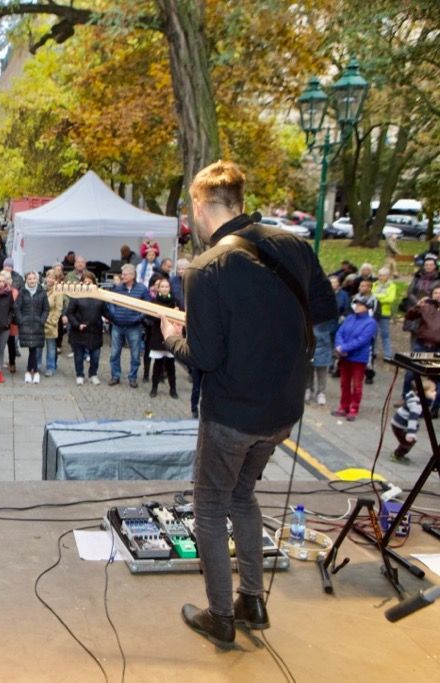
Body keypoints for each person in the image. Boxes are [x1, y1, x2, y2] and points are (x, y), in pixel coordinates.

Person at [160, 160, 333, 648]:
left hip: (232, 415)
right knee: (243, 496)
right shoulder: (293, 245)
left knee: (211, 506)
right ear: (239, 200)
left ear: (199, 206)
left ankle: (221, 617)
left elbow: (206, 358)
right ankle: (252, 600)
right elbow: (322, 309)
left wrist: (174, 337)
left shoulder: (206, 267)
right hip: (282, 410)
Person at [331, 296, 377, 421]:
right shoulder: (350, 318)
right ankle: (343, 406)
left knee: (357, 385)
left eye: (360, 305)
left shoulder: (370, 322)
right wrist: (339, 346)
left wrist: (344, 348)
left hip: (358, 357)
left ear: (367, 308)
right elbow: (339, 332)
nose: (357, 306)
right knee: (344, 383)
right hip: (345, 357)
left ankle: (353, 408)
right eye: (356, 304)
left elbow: (362, 340)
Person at [107, 263, 150, 387]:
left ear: (132, 275)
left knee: (135, 354)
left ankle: (133, 377)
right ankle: (115, 376)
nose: (122, 276)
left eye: (125, 274)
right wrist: (114, 315)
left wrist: (139, 318)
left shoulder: (142, 289)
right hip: (117, 326)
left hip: (134, 327)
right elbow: (111, 303)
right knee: (114, 353)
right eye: (122, 274)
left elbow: (147, 306)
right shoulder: (118, 288)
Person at [65, 271, 105, 385]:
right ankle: (79, 375)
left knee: (95, 356)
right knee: (78, 355)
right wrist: (77, 324)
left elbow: (105, 311)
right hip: (80, 331)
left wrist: (113, 318)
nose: (87, 284)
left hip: (95, 330)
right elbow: (70, 313)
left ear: (94, 283)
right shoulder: (76, 296)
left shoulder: (100, 297)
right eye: (85, 282)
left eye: (90, 282)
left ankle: (93, 374)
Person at [147, 278, 180, 397]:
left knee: (171, 366)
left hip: (171, 336)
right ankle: (154, 388)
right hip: (157, 335)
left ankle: (173, 389)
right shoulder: (154, 301)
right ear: (158, 289)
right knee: (157, 365)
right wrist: (159, 317)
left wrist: (174, 313)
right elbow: (148, 317)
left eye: (167, 287)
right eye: (162, 287)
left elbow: (180, 318)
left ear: (169, 288)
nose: (165, 289)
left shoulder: (175, 301)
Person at [15, 271, 49, 383]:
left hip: (38, 325)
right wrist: (21, 321)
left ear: (37, 280)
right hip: (26, 325)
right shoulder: (22, 293)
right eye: (29, 279)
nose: (32, 281)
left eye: (34, 278)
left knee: (34, 349)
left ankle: (31, 371)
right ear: (26, 280)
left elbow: (46, 309)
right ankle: (33, 371)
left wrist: (42, 320)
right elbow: (17, 308)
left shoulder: (42, 293)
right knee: (31, 349)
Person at [391, 379, 435, 463]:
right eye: (432, 391)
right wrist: (410, 433)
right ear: (424, 392)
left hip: (397, 423)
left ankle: (399, 453)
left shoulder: (414, 397)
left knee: (406, 441)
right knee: (409, 442)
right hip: (400, 425)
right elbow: (412, 419)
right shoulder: (416, 405)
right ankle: (397, 455)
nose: (435, 393)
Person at [372, 267, 397, 361]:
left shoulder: (392, 286)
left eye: (383, 275)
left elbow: (390, 299)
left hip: (384, 312)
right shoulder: (374, 284)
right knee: (373, 333)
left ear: (387, 276)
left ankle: (388, 354)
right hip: (374, 312)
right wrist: (382, 297)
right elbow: (371, 296)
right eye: (379, 275)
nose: (380, 277)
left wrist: (377, 298)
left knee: (385, 334)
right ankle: (373, 351)